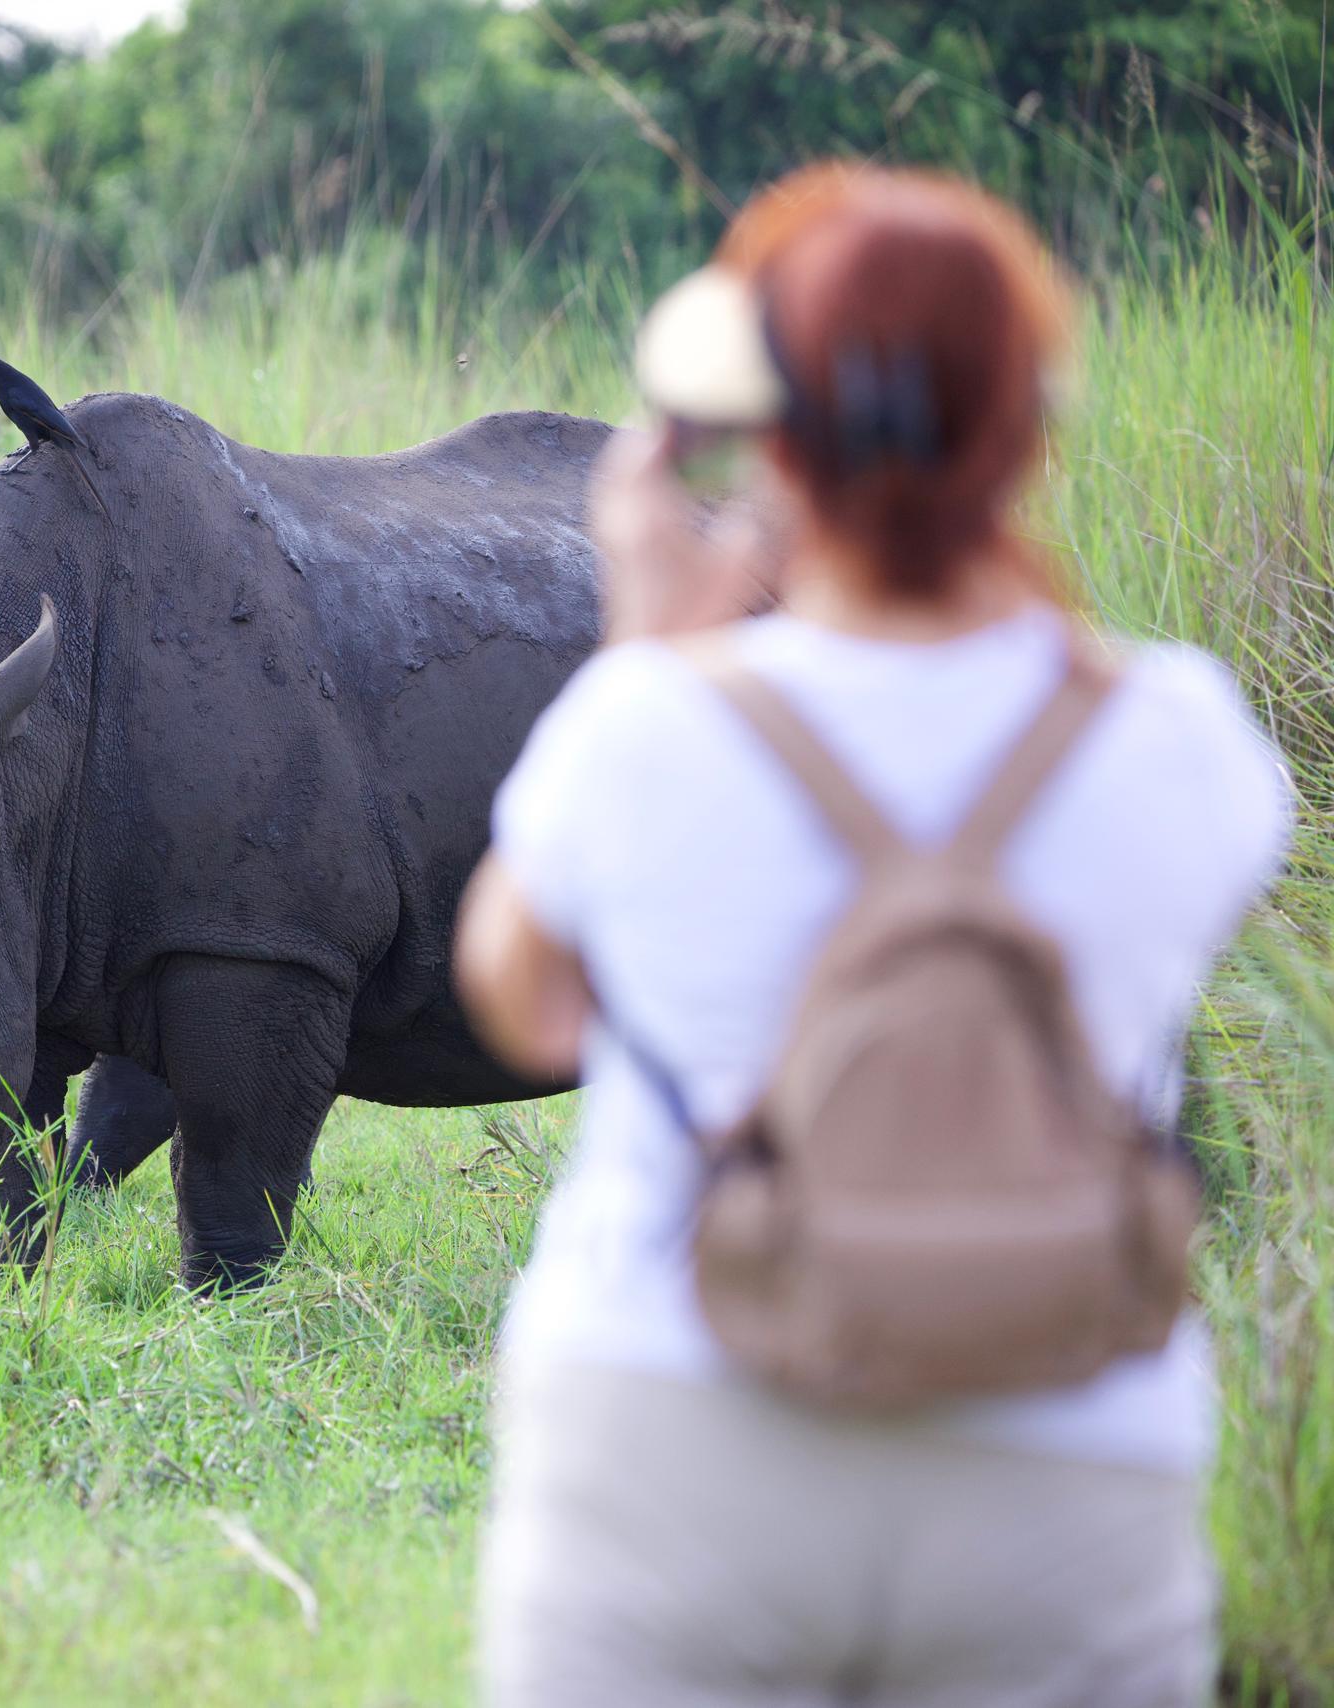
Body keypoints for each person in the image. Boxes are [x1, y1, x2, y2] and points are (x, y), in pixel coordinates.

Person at [454, 164, 1290, 1708]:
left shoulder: (646, 727)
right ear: (1029, 434)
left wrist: (653, 643)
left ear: (767, 440)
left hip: (674, 1433)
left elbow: (526, 1001)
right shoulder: (1191, 741)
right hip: (1066, 1461)